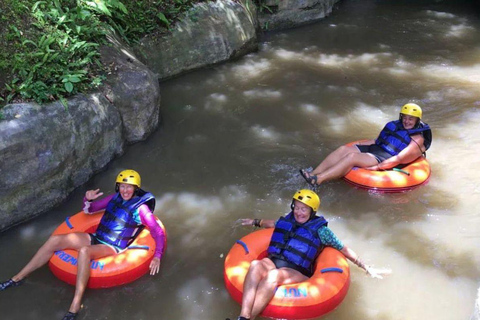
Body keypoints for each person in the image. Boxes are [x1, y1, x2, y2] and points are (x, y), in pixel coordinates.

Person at [0, 169, 165, 320]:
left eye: (129, 187)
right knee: (55, 240)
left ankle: (75, 305)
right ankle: (17, 278)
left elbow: (157, 232)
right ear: (118, 187)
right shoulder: (114, 198)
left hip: (113, 247)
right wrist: (87, 198)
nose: (125, 190)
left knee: (85, 251)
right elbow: (90, 210)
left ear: (136, 188)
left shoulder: (141, 209)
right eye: (122, 186)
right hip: (97, 237)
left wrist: (157, 256)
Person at [234, 189, 390, 320]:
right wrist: (255, 222)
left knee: (273, 276)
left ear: (311, 211)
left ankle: (248, 318)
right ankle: (243, 317)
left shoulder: (322, 231)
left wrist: (366, 267)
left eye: (304, 209)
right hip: (274, 260)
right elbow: (272, 224)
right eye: (296, 207)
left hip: (297, 271)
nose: (298, 212)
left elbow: (343, 249)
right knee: (255, 265)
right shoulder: (288, 220)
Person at [299, 103, 432, 187]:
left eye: (411, 119)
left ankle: (319, 180)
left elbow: (399, 159)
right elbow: (377, 140)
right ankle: (313, 173)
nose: (406, 121)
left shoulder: (417, 139)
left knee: (352, 157)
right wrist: (359, 144)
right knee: (343, 149)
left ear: (417, 120)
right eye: (405, 117)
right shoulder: (396, 126)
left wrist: (378, 167)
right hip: (377, 148)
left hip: (385, 157)